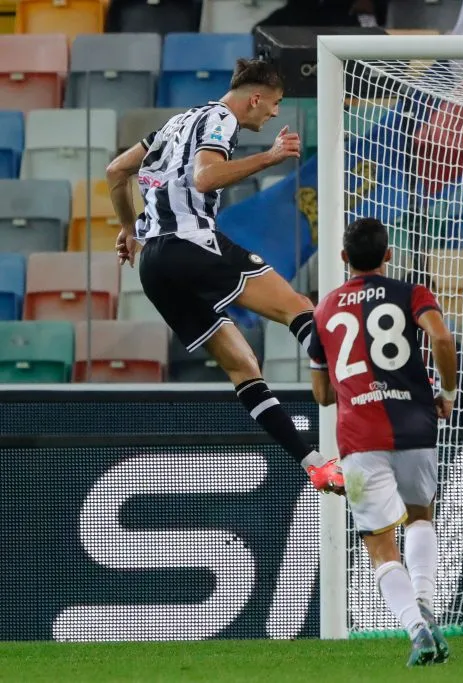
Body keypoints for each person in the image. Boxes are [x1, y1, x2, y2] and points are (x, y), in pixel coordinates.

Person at [105, 58, 343, 493]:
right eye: (274, 104)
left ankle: (314, 463)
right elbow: (205, 177)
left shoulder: (175, 123)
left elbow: (116, 170)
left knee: (243, 366)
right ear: (255, 98)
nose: (274, 114)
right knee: (299, 309)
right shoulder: (220, 118)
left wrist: (128, 228)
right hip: (191, 243)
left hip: (154, 265)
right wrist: (271, 157)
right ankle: (352, 396)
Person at [308, 217, 458, 666]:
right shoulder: (411, 292)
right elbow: (442, 338)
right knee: (420, 515)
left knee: (378, 542)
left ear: (343, 258)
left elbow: (321, 395)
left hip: (359, 437)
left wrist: (348, 382)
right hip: (415, 424)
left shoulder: (324, 310)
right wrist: (446, 393)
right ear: (388, 255)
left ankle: (417, 630)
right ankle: (427, 604)